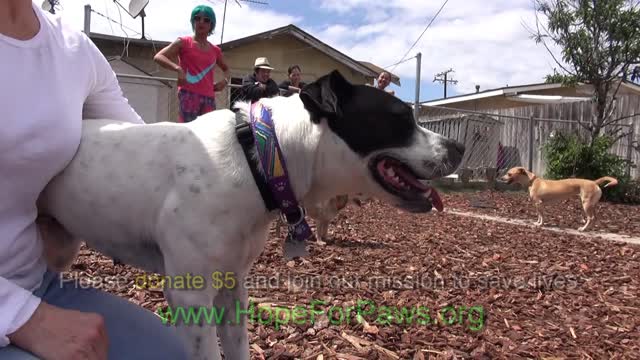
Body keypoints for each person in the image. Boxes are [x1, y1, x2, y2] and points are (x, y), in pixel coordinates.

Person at [0, 1, 188, 359]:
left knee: (170, 353)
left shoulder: (72, 49)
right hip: (16, 308)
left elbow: (145, 153)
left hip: (32, 281)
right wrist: (25, 319)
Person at [154, 4, 230, 123]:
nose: (201, 22)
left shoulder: (215, 50)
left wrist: (224, 81)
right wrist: (178, 69)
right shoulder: (183, 42)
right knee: (188, 133)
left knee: (208, 134)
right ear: (192, 21)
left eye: (206, 20)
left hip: (209, 98)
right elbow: (158, 56)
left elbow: (226, 69)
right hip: (188, 96)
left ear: (211, 25)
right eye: (197, 18)